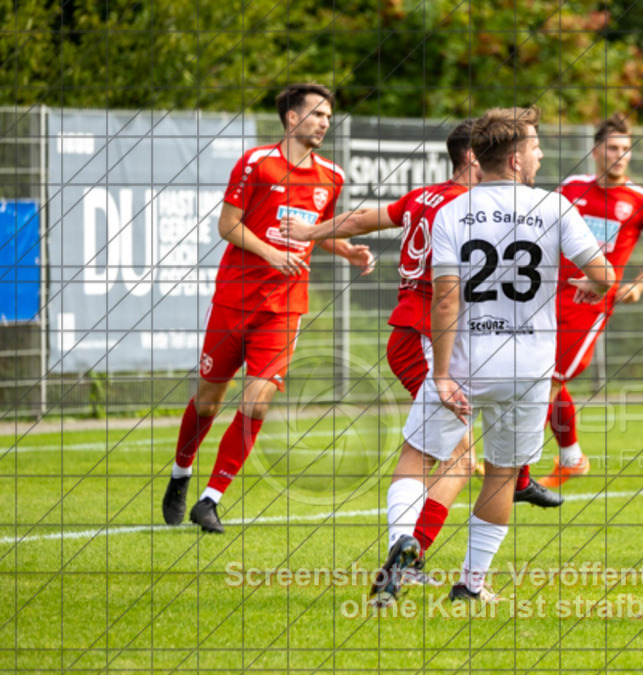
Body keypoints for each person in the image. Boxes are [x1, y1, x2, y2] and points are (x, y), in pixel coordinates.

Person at [281, 120, 563, 575]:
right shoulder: (471, 208)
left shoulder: (424, 196)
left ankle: (500, 492)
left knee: (458, 452)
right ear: (473, 157)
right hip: (431, 337)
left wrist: (308, 231)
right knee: (459, 457)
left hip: (409, 333)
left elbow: (360, 219)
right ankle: (412, 556)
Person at [368, 105, 613, 605]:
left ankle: (403, 539)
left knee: (418, 456)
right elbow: (605, 275)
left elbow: (445, 299)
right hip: (530, 368)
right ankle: (471, 585)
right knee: (502, 474)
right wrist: (592, 285)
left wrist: (440, 374)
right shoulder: (555, 207)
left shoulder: (452, 211)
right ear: (516, 158)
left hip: (466, 363)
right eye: (536, 147)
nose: (541, 155)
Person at [161, 83, 374, 533]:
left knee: (257, 402)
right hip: (234, 300)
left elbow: (316, 231)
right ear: (292, 118)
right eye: (317, 114)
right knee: (208, 401)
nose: (325, 122)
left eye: (329, 116)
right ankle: (181, 473)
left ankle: (210, 499)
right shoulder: (256, 163)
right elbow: (228, 225)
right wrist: (270, 253)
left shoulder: (331, 176)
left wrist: (347, 250)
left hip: (284, 307)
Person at [538, 114, 643, 489]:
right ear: (596, 150)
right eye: (613, 148)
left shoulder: (642, 199)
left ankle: (512, 467)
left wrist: (640, 285)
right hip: (548, 296)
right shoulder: (571, 188)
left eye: (626, 149)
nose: (620, 155)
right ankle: (571, 459)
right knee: (541, 377)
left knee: (548, 380)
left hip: (589, 306)